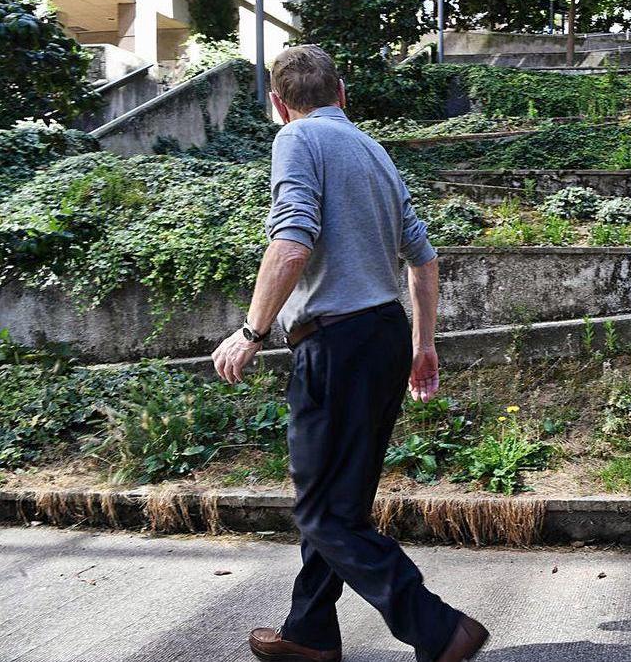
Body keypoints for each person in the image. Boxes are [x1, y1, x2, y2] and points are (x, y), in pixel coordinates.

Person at [209, 44, 489, 662]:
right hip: (384, 335)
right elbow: (423, 257)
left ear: (279, 104)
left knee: (321, 512)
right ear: (343, 94)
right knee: (342, 501)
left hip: (336, 343)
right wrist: (423, 344)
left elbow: (292, 240)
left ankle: (439, 628)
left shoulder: (296, 141)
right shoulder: (374, 152)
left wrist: (252, 332)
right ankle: (309, 633)